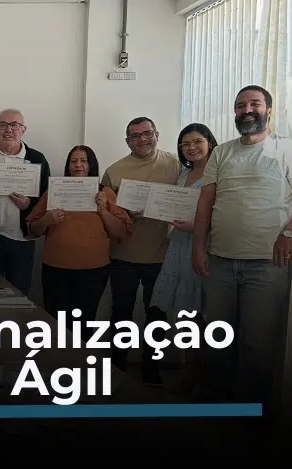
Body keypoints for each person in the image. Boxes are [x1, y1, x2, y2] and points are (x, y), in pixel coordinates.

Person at [192, 85, 292, 409]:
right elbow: (206, 201)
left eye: (255, 104)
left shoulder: (288, 149)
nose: (247, 110)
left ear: (269, 110)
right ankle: (215, 403)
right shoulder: (222, 153)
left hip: (267, 264)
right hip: (219, 261)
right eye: (241, 105)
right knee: (218, 337)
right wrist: (198, 247)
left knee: (257, 344)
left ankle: (251, 411)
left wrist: (290, 232)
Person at [100, 116, 182, 386]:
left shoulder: (176, 164)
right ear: (127, 141)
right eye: (135, 136)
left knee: (156, 314)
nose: (142, 139)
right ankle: (118, 366)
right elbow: (105, 214)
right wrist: (124, 214)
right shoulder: (114, 171)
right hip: (122, 255)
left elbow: (189, 198)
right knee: (121, 313)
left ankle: (151, 368)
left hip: (161, 254)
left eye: (147, 133)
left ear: (157, 134)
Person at [148, 123, 217, 394]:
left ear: (209, 142)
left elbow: (224, 214)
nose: (191, 147)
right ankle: (190, 371)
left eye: (197, 141)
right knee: (187, 315)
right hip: (179, 246)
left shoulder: (219, 173)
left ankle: (206, 375)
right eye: (185, 144)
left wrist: (196, 227)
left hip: (205, 246)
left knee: (207, 316)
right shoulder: (184, 174)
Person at [26, 145, 131, 322]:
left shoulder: (105, 192)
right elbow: (32, 230)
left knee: (84, 323)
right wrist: (45, 220)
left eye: (83, 161)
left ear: (92, 165)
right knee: (56, 322)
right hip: (56, 268)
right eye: (73, 161)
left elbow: (121, 231)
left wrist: (103, 210)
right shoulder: (54, 191)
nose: (78, 165)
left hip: (94, 270)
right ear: (68, 166)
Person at [0, 108, 51, 296]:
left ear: (23, 130)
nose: (9, 130)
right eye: (3, 125)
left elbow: (47, 198)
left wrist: (29, 205)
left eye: (14, 125)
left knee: (19, 295)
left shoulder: (36, 159)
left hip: (22, 239)